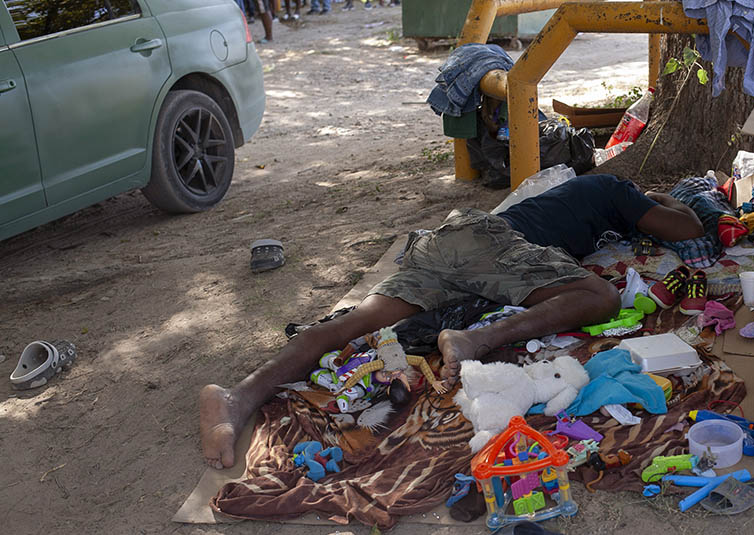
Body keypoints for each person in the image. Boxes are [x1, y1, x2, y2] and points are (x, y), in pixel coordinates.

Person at [198, 174, 704, 469]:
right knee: (600, 295)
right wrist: (660, 199)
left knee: (354, 325)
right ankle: (474, 339)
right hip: (484, 240)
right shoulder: (613, 187)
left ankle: (237, 397)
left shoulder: (567, 200)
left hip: (444, 246)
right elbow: (687, 226)